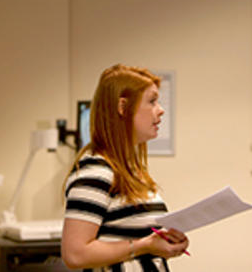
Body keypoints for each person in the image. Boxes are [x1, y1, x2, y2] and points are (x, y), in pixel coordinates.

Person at [61, 64, 189, 271]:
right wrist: (144, 245)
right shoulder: (96, 172)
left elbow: (134, 238)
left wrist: (166, 244)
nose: (161, 110)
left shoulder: (130, 171)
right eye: (152, 101)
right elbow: (75, 254)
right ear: (123, 107)